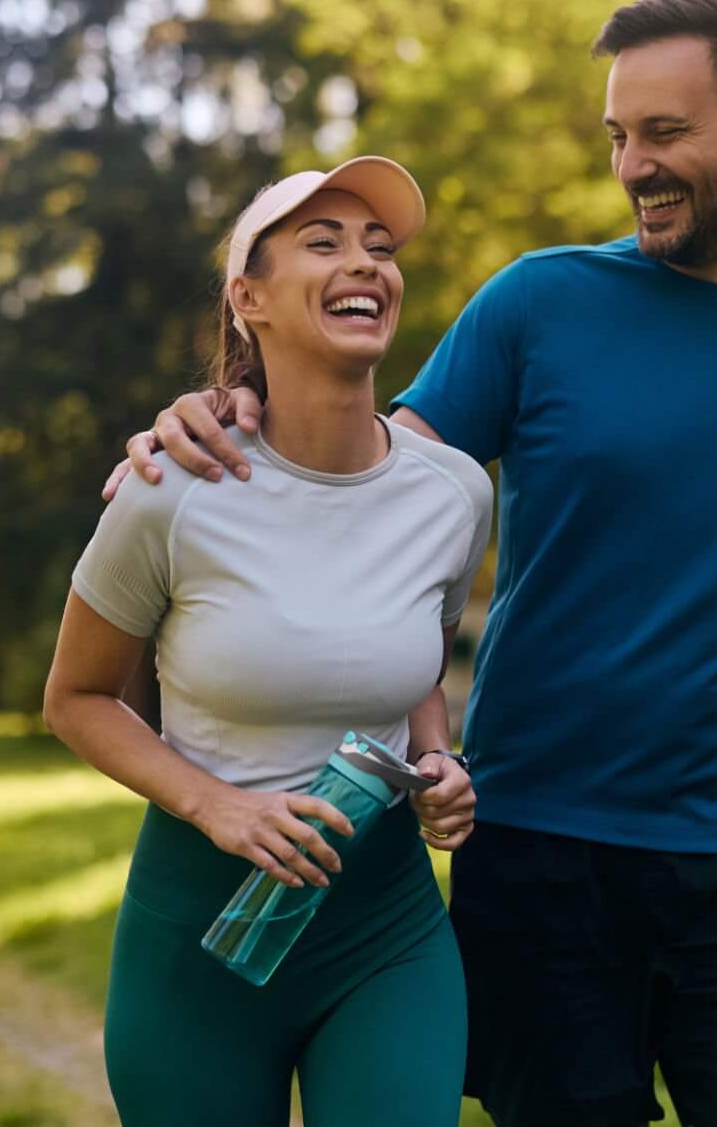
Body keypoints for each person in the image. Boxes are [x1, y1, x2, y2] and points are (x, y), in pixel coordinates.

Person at [106, 0, 717, 1127]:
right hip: (540, 858)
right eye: (618, 136)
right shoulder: (539, 304)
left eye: (665, 134)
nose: (633, 166)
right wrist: (220, 411)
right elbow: (358, 486)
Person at [46, 156, 492, 1127]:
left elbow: (413, 653)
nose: (364, 263)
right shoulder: (172, 491)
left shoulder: (454, 493)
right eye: (324, 244)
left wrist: (436, 759)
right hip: (197, 936)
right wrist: (219, 809)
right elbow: (75, 700)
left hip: (384, 932)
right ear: (249, 297)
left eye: (379, 247)